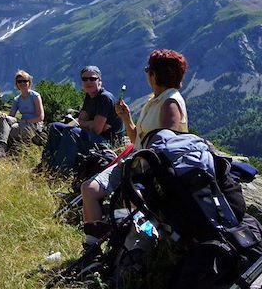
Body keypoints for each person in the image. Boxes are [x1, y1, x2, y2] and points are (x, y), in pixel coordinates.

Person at [80, 49, 189, 249]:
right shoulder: (156, 99)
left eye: (148, 69)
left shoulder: (170, 103)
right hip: (133, 161)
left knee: (127, 206)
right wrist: (127, 119)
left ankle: (119, 251)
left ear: (155, 75)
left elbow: (166, 148)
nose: (147, 73)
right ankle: (93, 245)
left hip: (146, 170)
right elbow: (137, 140)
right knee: (89, 188)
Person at [40, 66, 122, 174]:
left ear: (100, 81)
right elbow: (81, 121)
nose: (88, 81)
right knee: (56, 127)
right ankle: (45, 165)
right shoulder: (89, 96)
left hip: (108, 142)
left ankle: (60, 171)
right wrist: (91, 123)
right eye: (85, 79)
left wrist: (88, 124)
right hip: (95, 135)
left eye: (92, 79)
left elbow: (96, 130)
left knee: (71, 132)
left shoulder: (104, 98)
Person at [0, 69, 44, 158]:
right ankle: (0, 149)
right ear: (17, 84)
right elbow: (12, 115)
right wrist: (6, 116)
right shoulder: (17, 99)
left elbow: (41, 117)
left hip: (34, 124)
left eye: (25, 81)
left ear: (29, 83)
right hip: (22, 123)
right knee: (4, 119)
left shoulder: (35, 96)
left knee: (13, 128)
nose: (22, 83)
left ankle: (6, 149)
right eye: (20, 81)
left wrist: (26, 121)